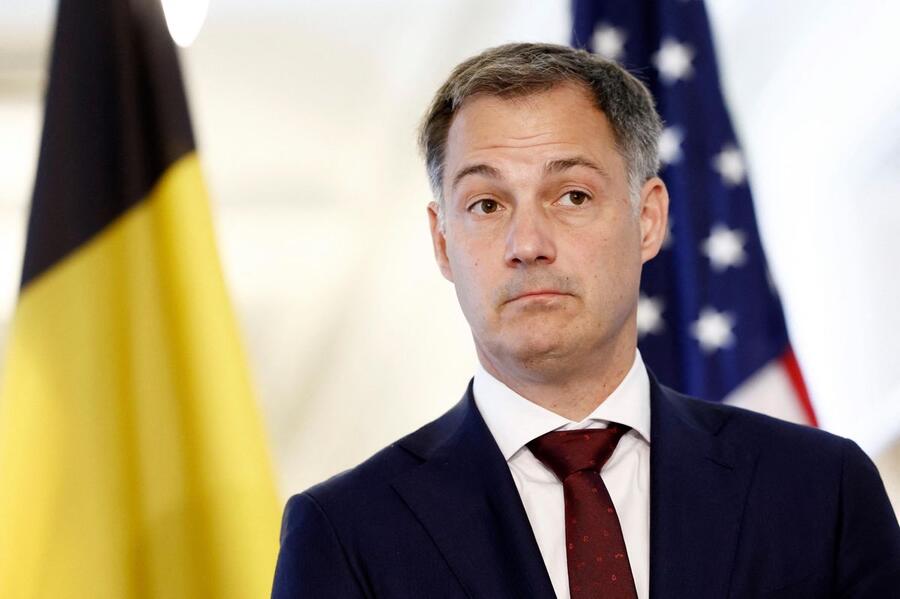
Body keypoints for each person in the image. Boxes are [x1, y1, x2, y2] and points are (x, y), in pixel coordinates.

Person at [271, 42, 900, 598]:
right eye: (486, 204)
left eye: (572, 195)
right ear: (442, 242)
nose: (527, 243)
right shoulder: (344, 532)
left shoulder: (822, 489)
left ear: (647, 219)